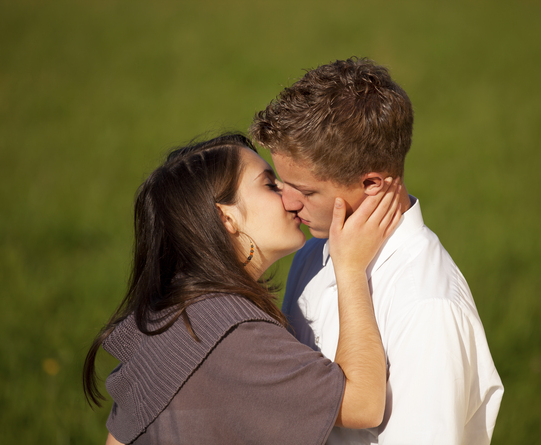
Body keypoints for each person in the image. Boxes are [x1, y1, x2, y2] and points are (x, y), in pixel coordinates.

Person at [82, 133, 403, 444]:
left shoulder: (177, 309)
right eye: (270, 184)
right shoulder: (232, 335)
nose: (290, 197)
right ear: (226, 219)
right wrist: (349, 267)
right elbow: (363, 405)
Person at [250, 57, 504, 444]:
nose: (286, 203)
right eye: (282, 183)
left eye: (304, 190)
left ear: (372, 184)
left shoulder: (428, 308)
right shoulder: (315, 252)